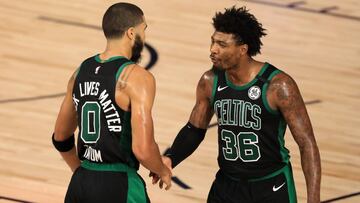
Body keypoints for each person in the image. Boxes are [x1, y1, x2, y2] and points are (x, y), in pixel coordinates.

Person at [152, 6, 321, 203]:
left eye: (222, 45)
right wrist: (172, 157)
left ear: (243, 49)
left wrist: (313, 198)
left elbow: (307, 144)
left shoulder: (278, 86)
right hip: (227, 185)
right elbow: (194, 130)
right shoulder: (210, 80)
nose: (213, 49)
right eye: (213, 41)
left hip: (271, 186)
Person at [52, 2, 172, 203]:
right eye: (144, 30)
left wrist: (79, 170)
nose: (145, 37)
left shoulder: (80, 71)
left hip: (81, 184)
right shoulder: (137, 77)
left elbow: (61, 137)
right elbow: (142, 148)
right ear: (132, 33)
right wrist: (162, 169)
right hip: (119, 184)